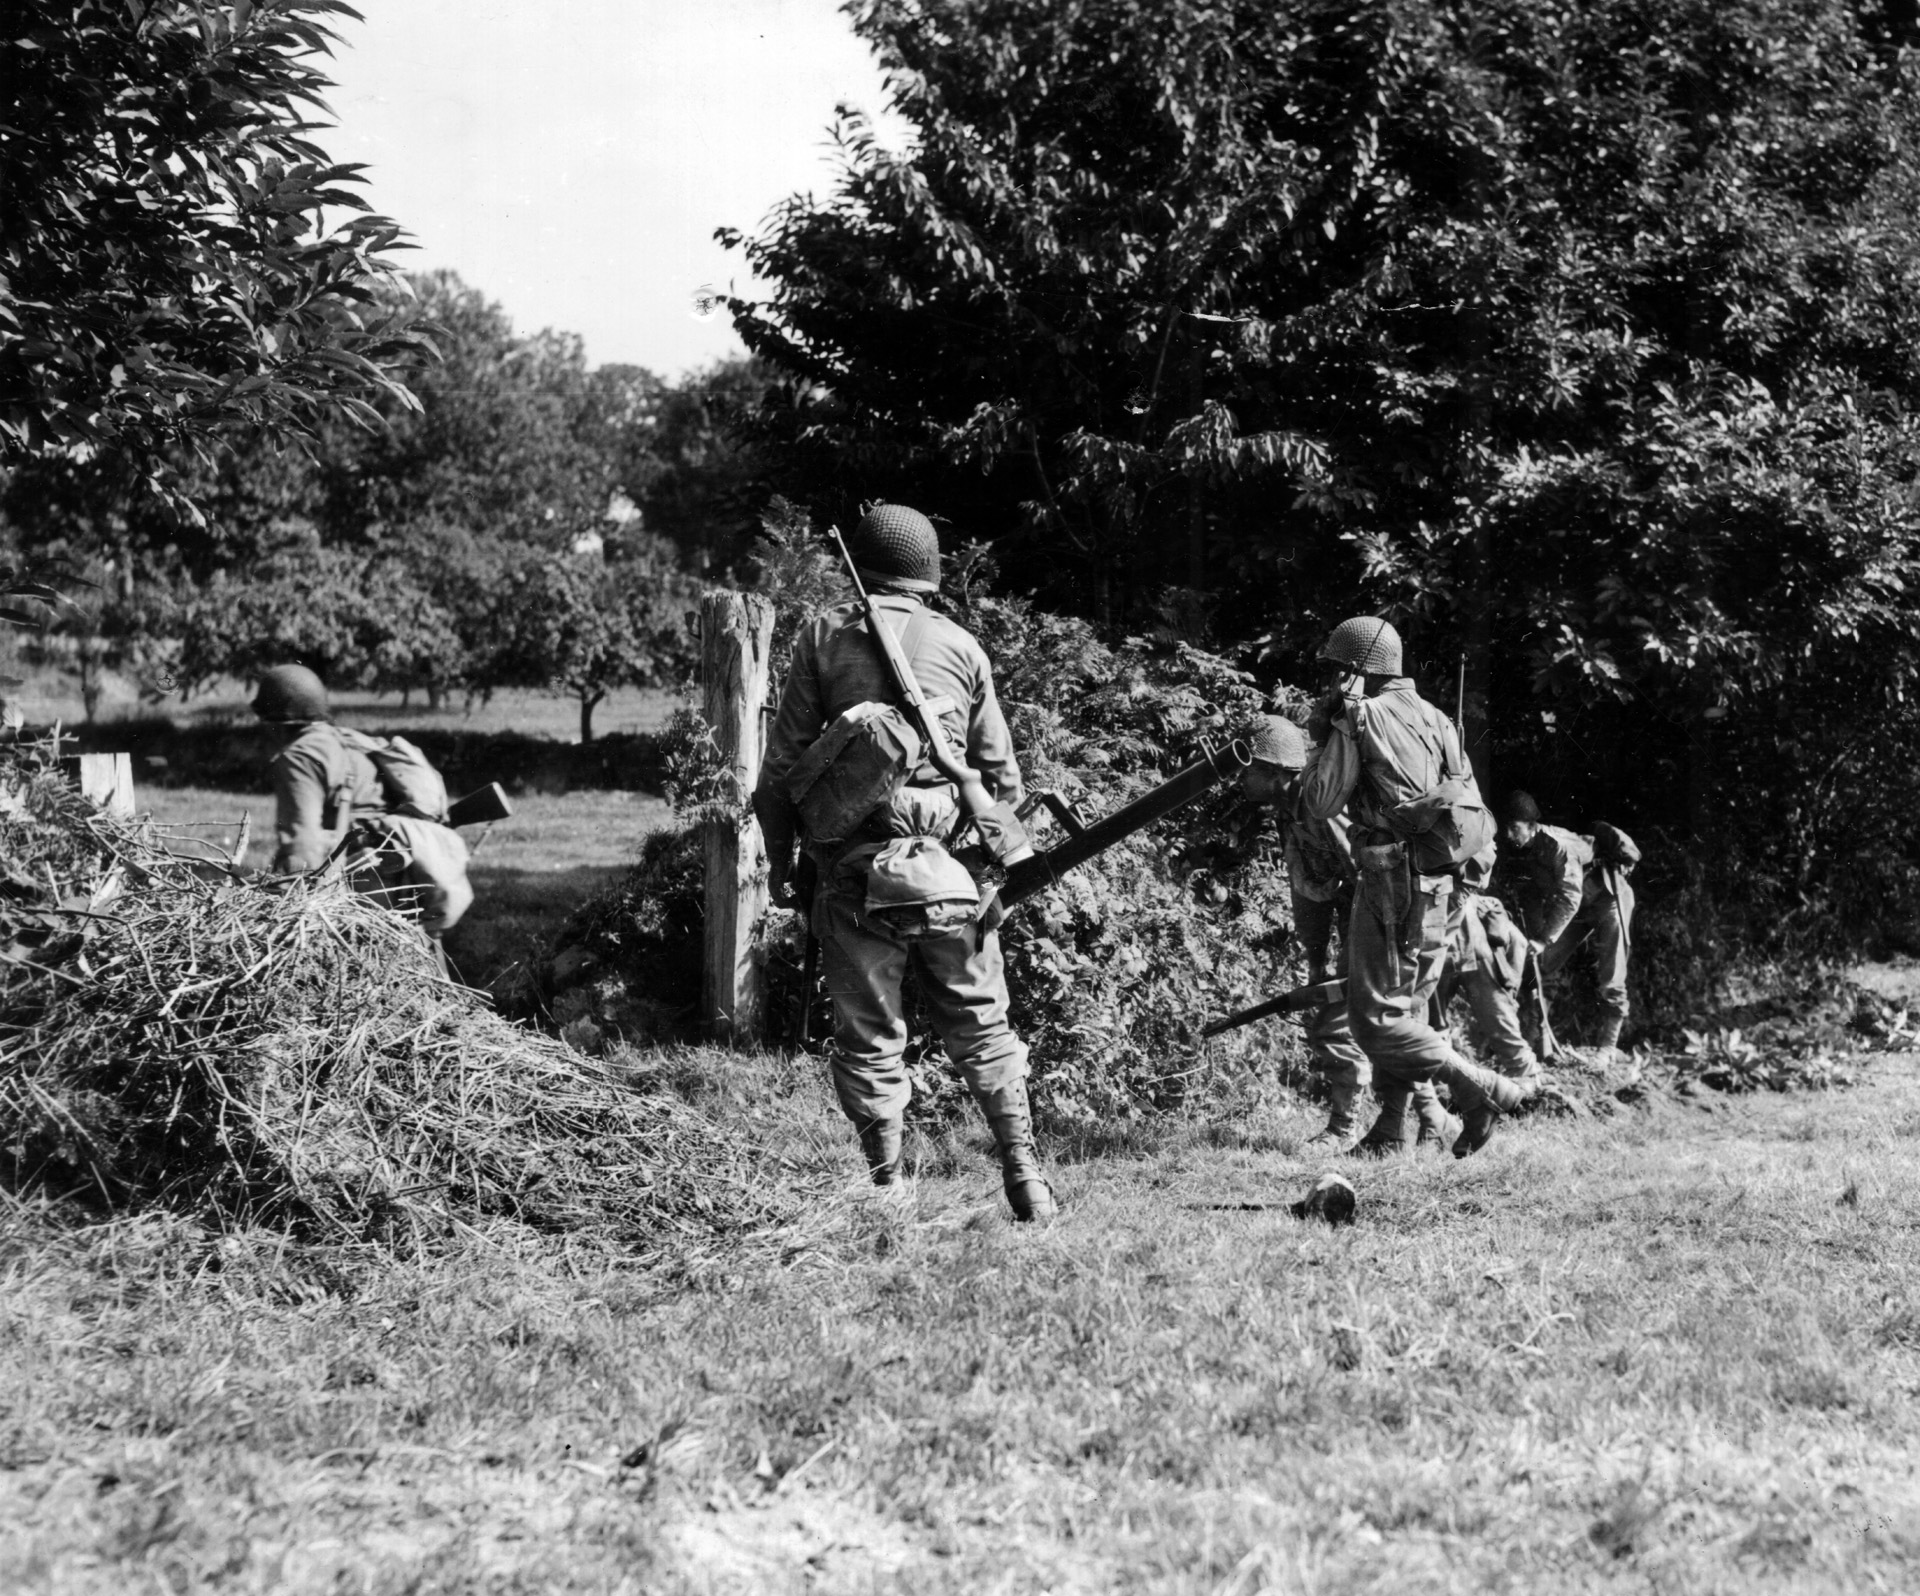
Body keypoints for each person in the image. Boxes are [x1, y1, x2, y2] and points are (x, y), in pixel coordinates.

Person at [753, 504, 1054, 1221]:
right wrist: (997, 876)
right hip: (954, 872)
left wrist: (782, 866)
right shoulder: (964, 647)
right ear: (928, 574)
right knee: (983, 1027)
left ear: (863, 564)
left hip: (853, 871)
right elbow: (1000, 780)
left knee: (868, 1038)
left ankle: (886, 1193)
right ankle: (1027, 1180)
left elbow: (779, 774)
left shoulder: (825, 638)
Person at [1297, 617, 1526, 1158]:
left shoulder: (1364, 715)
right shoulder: (1440, 719)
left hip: (1390, 879)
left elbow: (1320, 801)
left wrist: (1335, 724)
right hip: (1444, 884)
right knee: (1410, 1007)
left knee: (1374, 1016)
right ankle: (1391, 1129)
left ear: (1355, 670)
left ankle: (1480, 1087)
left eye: (1336, 669)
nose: (1330, 679)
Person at [252, 664, 472, 944]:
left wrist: (282, 910)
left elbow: (302, 844)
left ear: (274, 721)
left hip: (367, 885)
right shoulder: (352, 742)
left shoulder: (299, 756)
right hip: (408, 872)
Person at [1500, 791, 1637, 1052]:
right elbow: (1535, 897)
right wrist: (1537, 937)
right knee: (1543, 965)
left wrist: (1542, 939)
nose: (1509, 835)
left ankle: (1607, 1050)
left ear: (1531, 826)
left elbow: (1569, 896)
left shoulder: (1555, 845)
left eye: (1514, 828)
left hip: (1609, 899)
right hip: (1581, 908)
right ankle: (1540, 1047)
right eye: (1506, 828)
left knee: (1612, 976)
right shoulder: (1527, 849)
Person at [1435, 847, 1545, 1094]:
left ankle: (1527, 1077)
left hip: (1462, 926)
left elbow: (1483, 863)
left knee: (1493, 1008)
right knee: (1433, 1016)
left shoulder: (1468, 820)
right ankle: (1438, 1086)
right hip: (1438, 926)